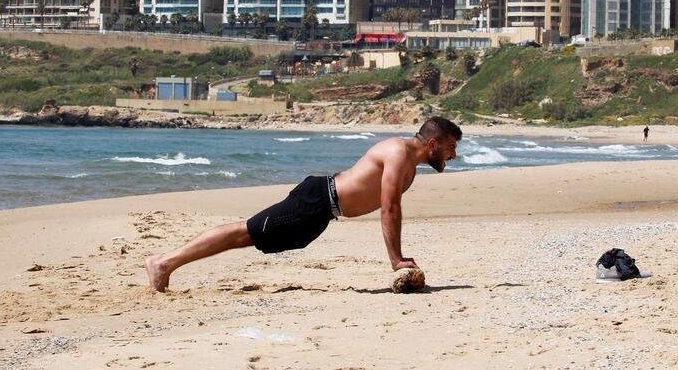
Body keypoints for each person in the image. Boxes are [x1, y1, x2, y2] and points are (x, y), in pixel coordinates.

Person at [144, 116, 462, 292]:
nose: (453, 155)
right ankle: (164, 263)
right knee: (245, 232)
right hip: (317, 200)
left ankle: (167, 263)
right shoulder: (397, 153)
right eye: (449, 147)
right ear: (432, 143)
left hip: (322, 211)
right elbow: (388, 208)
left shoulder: (407, 163)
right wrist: (396, 259)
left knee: (249, 236)